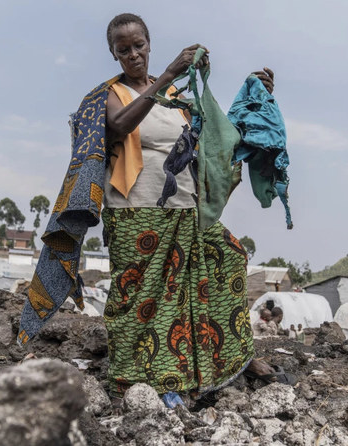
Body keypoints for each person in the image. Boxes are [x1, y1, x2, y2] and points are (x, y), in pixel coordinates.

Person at [100, 13, 276, 397]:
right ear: (114, 54)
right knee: (143, 298)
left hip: (184, 208)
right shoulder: (114, 93)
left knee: (228, 256)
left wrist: (256, 99)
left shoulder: (178, 98)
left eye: (139, 46)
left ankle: (228, 360)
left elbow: (216, 137)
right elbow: (120, 127)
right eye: (123, 49)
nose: (133, 54)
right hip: (136, 211)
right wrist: (166, 75)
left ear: (149, 43)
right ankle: (136, 377)